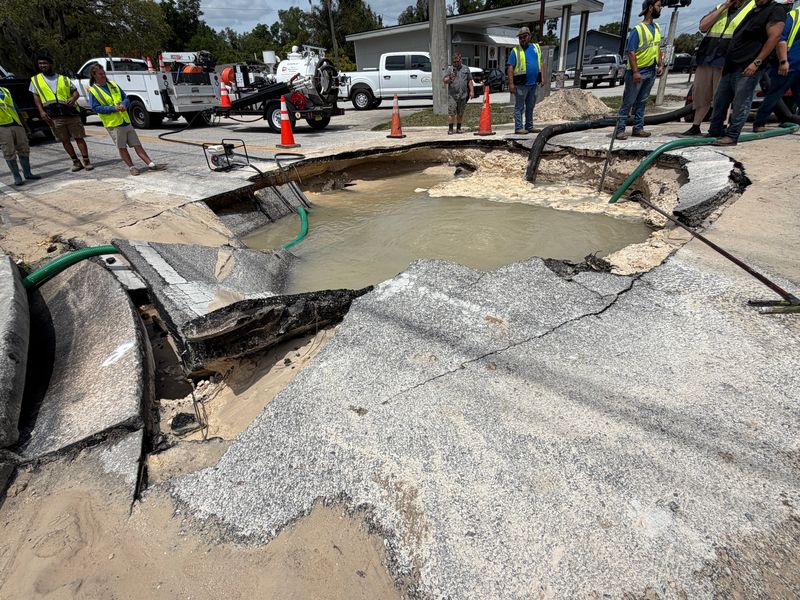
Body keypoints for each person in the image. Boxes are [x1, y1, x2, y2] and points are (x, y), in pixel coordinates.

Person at [708, 0, 786, 145]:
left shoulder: (775, 10)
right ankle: (715, 131)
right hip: (732, 65)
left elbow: (774, 37)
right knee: (720, 100)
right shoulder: (754, 10)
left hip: (748, 64)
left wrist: (756, 62)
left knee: (741, 102)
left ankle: (732, 135)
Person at [681, 0, 756, 136]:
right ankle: (696, 125)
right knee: (701, 94)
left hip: (728, 60)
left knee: (722, 97)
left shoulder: (751, 8)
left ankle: (721, 126)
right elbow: (703, 26)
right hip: (707, 57)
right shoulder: (720, 7)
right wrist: (724, 7)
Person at [86, 64, 166, 175]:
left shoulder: (113, 85)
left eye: (103, 73)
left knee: (137, 145)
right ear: (94, 75)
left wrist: (124, 104)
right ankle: (132, 167)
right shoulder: (93, 91)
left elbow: (125, 98)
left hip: (125, 121)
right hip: (113, 124)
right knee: (122, 147)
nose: (103, 75)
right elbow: (95, 107)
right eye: (100, 74)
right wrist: (113, 108)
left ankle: (151, 164)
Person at [30, 56, 93, 172]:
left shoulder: (63, 79)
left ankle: (86, 161)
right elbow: (36, 97)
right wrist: (41, 111)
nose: (43, 66)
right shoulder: (35, 80)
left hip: (70, 113)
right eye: (40, 64)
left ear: (50, 64)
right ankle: (76, 162)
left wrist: (73, 98)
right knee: (64, 140)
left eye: (45, 63)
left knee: (79, 137)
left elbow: (75, 92)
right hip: (53, 116)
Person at [615, 0, 665, 140]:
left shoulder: (657, 28)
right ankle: (620, 130)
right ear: (650, 8)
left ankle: (638, 128)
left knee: (642, 101)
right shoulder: (638, 30)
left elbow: (657, 48)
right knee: (628, 102)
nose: (660, 8)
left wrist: (660, 64)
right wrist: (636, 71)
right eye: (658, 6)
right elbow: (631, 52)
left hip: (650, 70)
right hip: (637, 72)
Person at [751, 5, 800, 130]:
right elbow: (781, 39)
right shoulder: (794, 16)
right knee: (774, 94)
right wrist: (783, 61)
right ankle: (759, 123)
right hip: (789, 64)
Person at [0, 86, 41, 186]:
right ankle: (17, 177)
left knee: (24, 148)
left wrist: (25, 125)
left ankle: (27, 173)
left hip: (16, 123)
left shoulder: (5, 90)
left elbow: (16, 108)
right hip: (2, 126)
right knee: (9, 151)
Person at [507, 26, 543, 135]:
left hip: (533, 83)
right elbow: (510, 67)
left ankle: (529, 126)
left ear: (529, 36)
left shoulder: (536, 48)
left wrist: (542, 78)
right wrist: (511, 84)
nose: (522, 39)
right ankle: (518, 127)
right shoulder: (515, 51)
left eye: (524, 37)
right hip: (521, 84)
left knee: (530, 106)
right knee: (519, 107)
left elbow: (541, 62)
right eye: (520, 37)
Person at [442, 53, 474, 134]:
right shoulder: (450, 69)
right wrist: (450, 77)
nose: (455, 63)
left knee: (460, 113)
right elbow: (444, 80)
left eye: (457, 61)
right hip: (452, 95)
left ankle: (459, 128)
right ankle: (450, 129)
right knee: (451, 113)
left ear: (460, 60)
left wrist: (472, 91)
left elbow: (469, 80)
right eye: (454, 62)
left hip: (463, 95)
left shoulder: (466, 69)